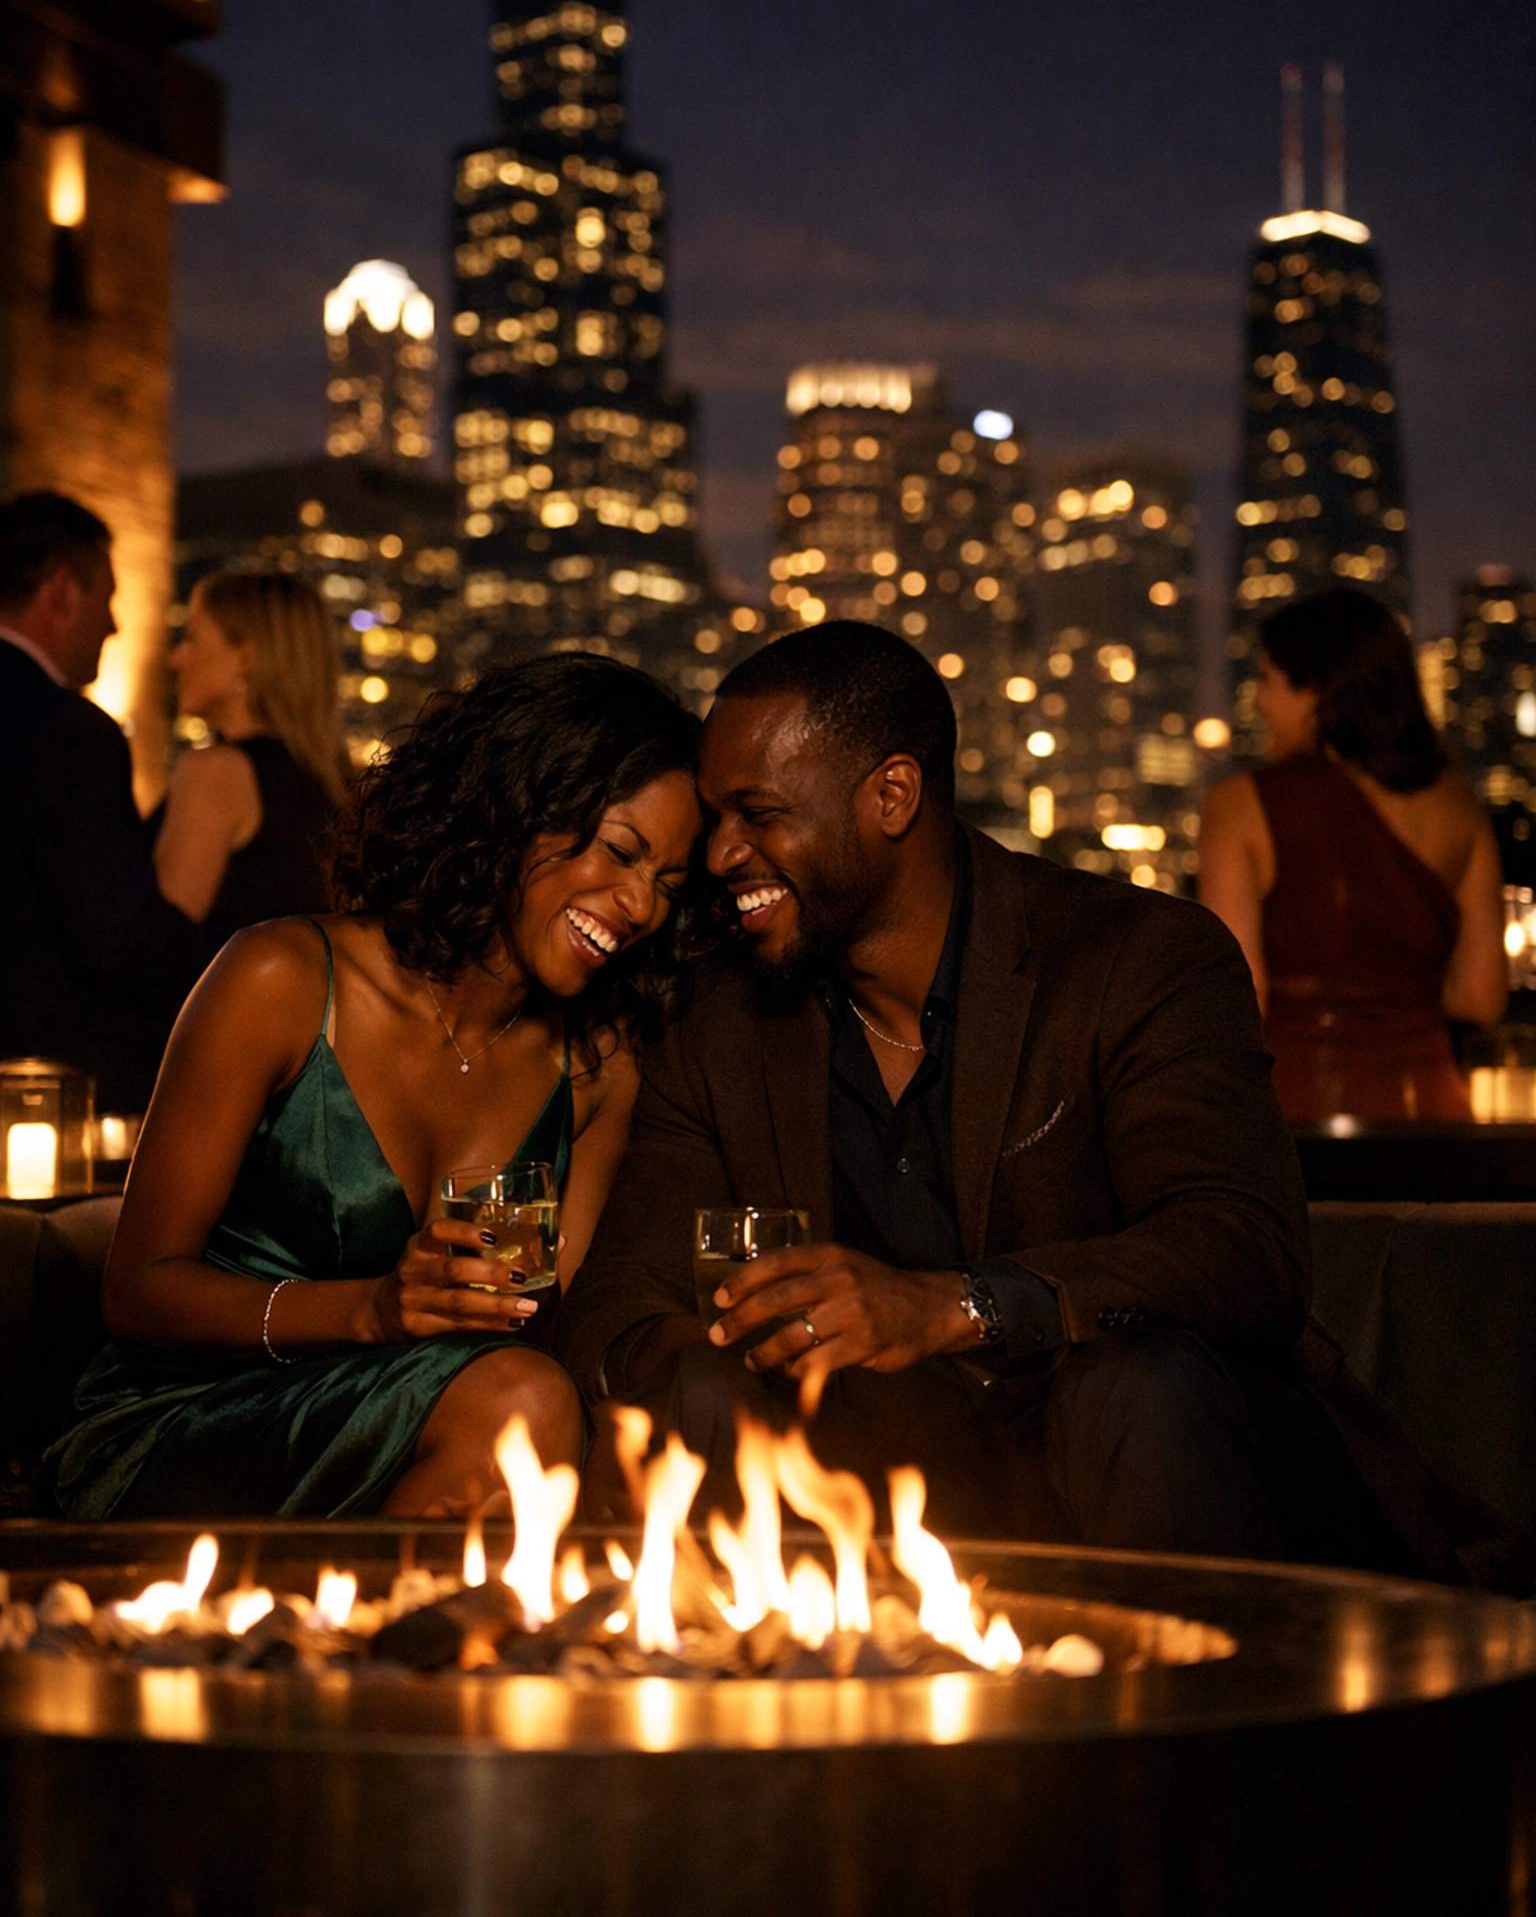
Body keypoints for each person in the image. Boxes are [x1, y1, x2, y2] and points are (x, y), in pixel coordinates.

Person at [559, 622, 1521, 1585]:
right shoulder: (720, 1016)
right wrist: (749, 1348)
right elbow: (619, 1300)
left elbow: (1242, 1248)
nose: (721, 854)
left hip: (1140, 1459)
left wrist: (954, 1306)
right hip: (876, 1500)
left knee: (1136, 1384)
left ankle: (1200, 1686)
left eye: (759, 814)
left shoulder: (1133, 957)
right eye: (717, 818)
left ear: (892, 796)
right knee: (697, 1382)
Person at [45, 654, 703, 1520]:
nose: (641, 906)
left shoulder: (595, 1069)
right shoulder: (279, 979)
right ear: (518, 807)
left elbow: (545, 1330)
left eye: (667, 885)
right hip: (184, 1420)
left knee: (538, 1406)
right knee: (521, 1405)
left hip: (447, 1426)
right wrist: (371, 1312)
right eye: (621, 852)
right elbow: (135, 1291)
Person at [1200, 588, 1506, 1122]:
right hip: (1435, 1121)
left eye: (1268, 680)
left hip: (1299, 1120)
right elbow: (1483, 998)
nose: (1258, 700)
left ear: (1316, 690)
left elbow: (1239, 999)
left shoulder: (1239, 805)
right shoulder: (1461, 807)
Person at [0, 492, 207, 1116]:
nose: (115, 625)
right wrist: (255, 961)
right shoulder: (66, 731)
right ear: (62, 592)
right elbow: (118, 938)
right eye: (107, 598)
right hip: (44, 1092)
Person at [155, 572, 348, 939]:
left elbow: (157, 939)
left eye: (192, 639)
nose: (174, 658)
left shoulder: (217, 771)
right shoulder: (342, 785)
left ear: (245, 657)